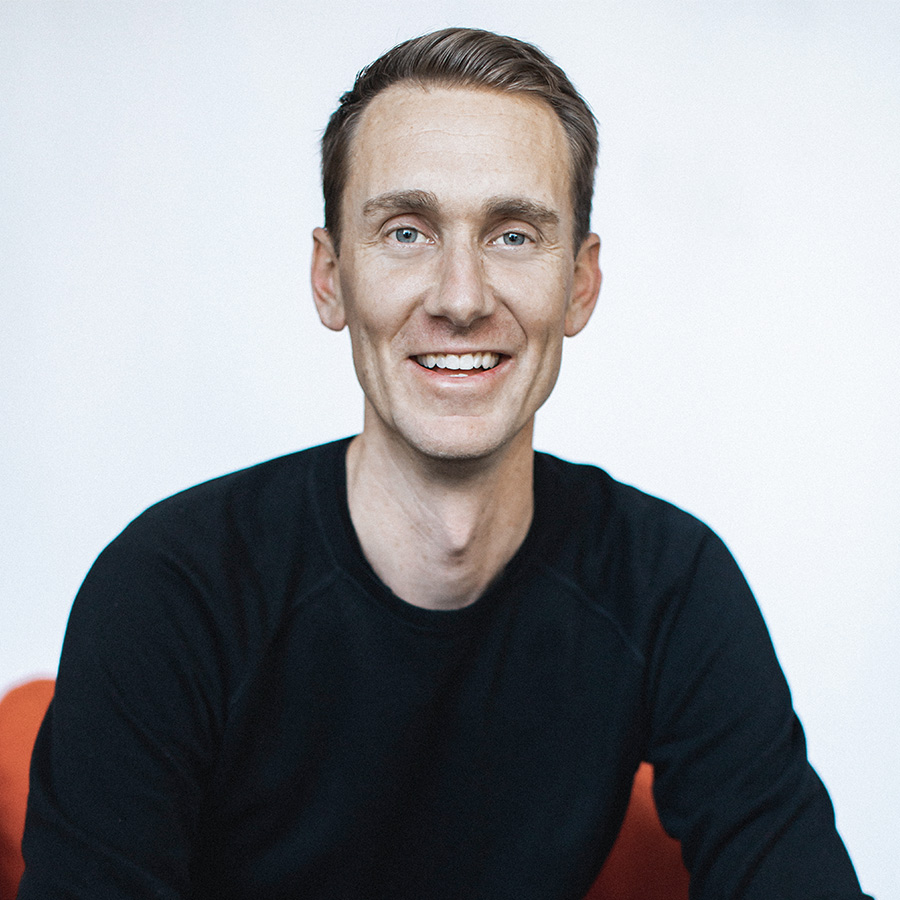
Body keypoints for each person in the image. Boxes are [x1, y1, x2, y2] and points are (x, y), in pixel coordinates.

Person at [19, 27, 870, 900]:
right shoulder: (172, 592)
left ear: (580, 285)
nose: (461, 299)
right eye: (406, 232)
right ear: (330, 278)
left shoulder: (666, 585)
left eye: (513, 236)